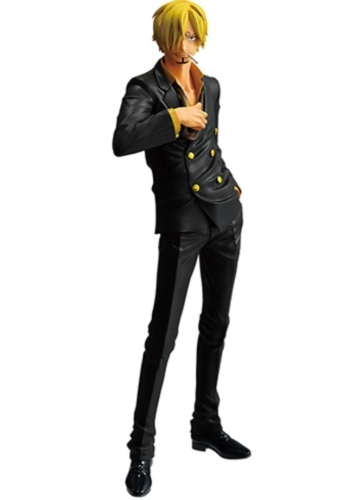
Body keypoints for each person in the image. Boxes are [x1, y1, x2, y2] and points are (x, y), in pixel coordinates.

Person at [112, 0, 251, 496]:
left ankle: (205, 425)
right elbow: (122, 140)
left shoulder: (211, 85)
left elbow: (212, 145)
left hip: (224, 216)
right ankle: (141, 450)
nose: (184, 45)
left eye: (192, 36)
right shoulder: (144, 88)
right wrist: (173, 117)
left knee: (216, 324)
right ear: (161, 38)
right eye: (176, 36)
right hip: (182, 222)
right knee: (163, 335)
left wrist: (233, 190)